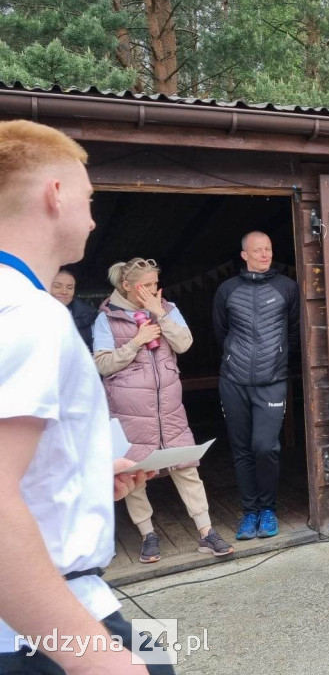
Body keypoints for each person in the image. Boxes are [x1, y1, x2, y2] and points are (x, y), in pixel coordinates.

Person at [0, 119, 171, 673]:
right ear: (55, 194)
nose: (95, 217)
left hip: (44, 610)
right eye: (89, 197)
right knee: (155, 662)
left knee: (161, 652)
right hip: (46, 624)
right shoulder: (30, 315)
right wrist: (98, 660)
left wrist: (86, 476)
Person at [94, 258, 233, 564]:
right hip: (129, 410)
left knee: (186, 466)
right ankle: (148, 535)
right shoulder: (107, 318)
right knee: (134, 474)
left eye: (156, 284)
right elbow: (102, 364)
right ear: (128, 286)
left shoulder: (166, 308)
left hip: (169, 406)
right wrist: (135, 342)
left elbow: (184, 344)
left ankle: (206, 531)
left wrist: (160, 314)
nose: (154, 290)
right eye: (147, 285)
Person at [213, 231, 300, 541]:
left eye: (268, 248)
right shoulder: (227, 290)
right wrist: (238, 359)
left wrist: (275, 360)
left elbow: (294, 332)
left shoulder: (287, 288)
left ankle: (268, 509)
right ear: (244, 255)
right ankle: (250, 513)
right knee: (242, 450)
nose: (265, 254)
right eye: (258, 250)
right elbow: (221, 332)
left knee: (266, 447)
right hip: (233, 381)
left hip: (272, 380)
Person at [49, 266, 97, 349]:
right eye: (57, 286)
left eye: (70, 287)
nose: (64, 292)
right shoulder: (28, 314)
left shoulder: (88, 315)